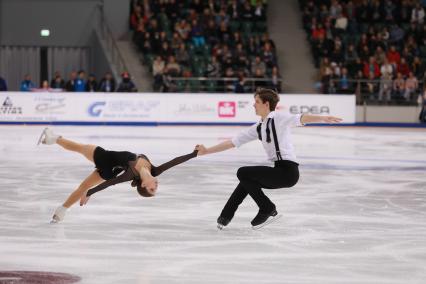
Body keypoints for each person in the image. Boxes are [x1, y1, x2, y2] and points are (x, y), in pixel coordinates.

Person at [196, 88, 342, 230]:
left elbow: (300, 118)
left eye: (257, 101)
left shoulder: (279, 118)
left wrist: (322, 118)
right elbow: (232, 142)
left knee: (243, 172)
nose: (254, 105)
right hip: (278, 171)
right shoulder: (259, 126)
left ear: (266, 104)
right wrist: (206, 151)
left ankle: (267, 208)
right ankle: (225, 217)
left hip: (288, 172)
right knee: (246, 180)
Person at [37, 128, 197, 223]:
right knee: (83, 182)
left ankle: (54, 138)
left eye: (152, 189)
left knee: (80, 150)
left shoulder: (130, 174)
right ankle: (61, 211)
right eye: (156, 188)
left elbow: (110, 184)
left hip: (105, 159)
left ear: (143, 185)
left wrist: (90, 192)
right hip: (109, 167)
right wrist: (194, 154)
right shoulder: (155, 170)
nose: (156, 186)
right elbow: (175, 161)